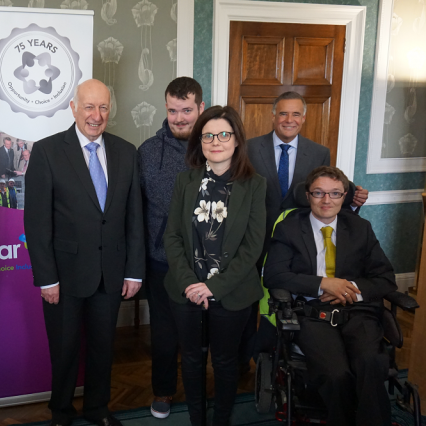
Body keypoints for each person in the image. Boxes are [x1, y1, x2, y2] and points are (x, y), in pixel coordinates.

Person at [24, 79, 144, 426]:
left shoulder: (126, 152)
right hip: (64, 275)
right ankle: (61, 412)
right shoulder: (47, 152)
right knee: (63, 351)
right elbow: (37, 223)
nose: (96, 115)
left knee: (103, 349)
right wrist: (47, 278)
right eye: (89, 107)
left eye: (103, 107)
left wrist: (134, 270)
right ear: (74, 108)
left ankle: (97, 409)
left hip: (111, 273)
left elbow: (134, 215)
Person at [243, 91, 370, 368]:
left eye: (296, 114)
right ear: (273, 115)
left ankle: (278, 356)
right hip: (253, 239)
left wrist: (355, 198)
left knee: (284, 301)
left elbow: (333, 190)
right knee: (248, 302)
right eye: (283, 113)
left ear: (304, 117)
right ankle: (244, 359)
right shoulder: (249, 148)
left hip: (294, 243)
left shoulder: (318, 151)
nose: (289, 120)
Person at [263, 166, 396, 426]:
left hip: (358, 310)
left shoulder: (360, 228)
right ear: (308, 195)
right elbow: (274, 276)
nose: (327, 201)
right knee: (336, 374)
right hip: (313, 314)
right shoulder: (289, 229)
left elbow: (385, 278)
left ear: (345, 196)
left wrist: (350, 290)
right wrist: (323, 283)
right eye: (319, 193)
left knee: (370, 363)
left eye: (335, 194)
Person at [163, 105, 266, 426]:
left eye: (223, 134)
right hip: (186, 290)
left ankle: (220, 420)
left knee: (225, 362)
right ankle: (197, 419)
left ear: (237, 140)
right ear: (199, 142)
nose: (215, 141)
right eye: (207, 135)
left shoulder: (255, 184)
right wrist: (189, 284)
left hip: (232, 292)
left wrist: (213, 286)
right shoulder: (186, 181)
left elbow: (252, 247)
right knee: (191, 361)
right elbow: (173, 237)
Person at [137, 76, 204, 419]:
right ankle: (163, 391)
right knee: (164, 334)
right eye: (173, 110)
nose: (179, 118)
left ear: (200, 108)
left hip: (206, 264)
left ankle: (201, 391)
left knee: (201, 334)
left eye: (187, 110)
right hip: (161, 261)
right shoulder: (148, 151)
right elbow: (136, 210)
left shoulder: (217, 146)